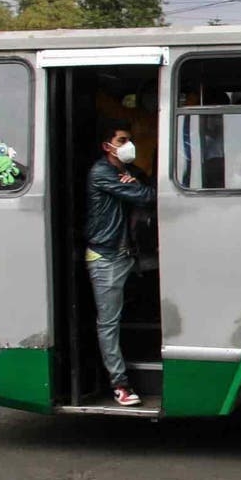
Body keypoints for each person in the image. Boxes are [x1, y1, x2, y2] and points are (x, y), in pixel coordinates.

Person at [86, 122, 157, 407]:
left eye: (130, 139)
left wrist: (137, 183)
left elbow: (148, 188)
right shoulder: (102, 173)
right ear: (108, 146)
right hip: (107, 257)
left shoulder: (129, 172)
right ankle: (120, 384)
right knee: (108, 323)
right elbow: (147, 196)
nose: (129, 145)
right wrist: (138, 187)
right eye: (123, 140)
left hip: (131, 255)